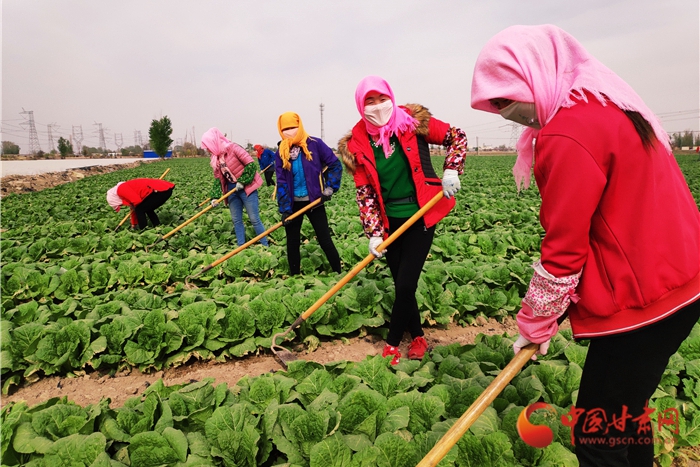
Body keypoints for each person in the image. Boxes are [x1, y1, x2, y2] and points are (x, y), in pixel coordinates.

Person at [470, 25, 700, 466]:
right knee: (625, 418)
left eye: (507, 99)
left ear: (536, 71)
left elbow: (563, 250)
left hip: (644, 302)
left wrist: (535, 322)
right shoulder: (608, 103)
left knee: (597, 434)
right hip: (681, 284)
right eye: (495, 106)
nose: (506, 113)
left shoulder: (567, 132)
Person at [338, 76, 467, 365]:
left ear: (391, 97)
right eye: (369, 101)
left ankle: (392, 344)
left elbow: (456, 136)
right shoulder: (357, 143)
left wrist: (452, 169)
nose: (377, 106)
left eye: (381, 99)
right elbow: (365, 193)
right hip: (390, 222)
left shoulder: (412, 121)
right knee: (401, 285)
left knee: (406, 285)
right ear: (361, 106)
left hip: (422, 214)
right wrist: (374, 233)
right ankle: (418, 336)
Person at [275, 111, 342, 275]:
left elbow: (335, 165)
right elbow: (282, 182)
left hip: (314, 201)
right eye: (286, 128)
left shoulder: (314, 144)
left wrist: (330, 187)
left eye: (293, 127)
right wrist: (284, 210)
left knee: (325, 239)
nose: (290, 131)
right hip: (293, 204)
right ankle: (294, 276)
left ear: (300, 126)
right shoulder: (281, 151)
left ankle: (339, 272)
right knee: (292, 241)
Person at [201, 128, 269, 247]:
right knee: (236, 219)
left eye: (208, 146)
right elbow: (218, 179)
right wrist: (215, 197)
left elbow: (250, 165)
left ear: (214, 142)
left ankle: (265, 245)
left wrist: (242, 181)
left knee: (254, 218)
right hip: (231, 189)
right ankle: (241, 246)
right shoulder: (215, 158)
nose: (207, 149)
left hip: (247, 186)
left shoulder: (233, 148)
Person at [106, 178, 175, 229]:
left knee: (140, 209)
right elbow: (133, 207)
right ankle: (157, 225)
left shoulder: (121, 189)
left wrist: (134, 207)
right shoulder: (122, 191)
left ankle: (143, 229)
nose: (122, 205)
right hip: (162, 191)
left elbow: (136, 201)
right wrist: (134, 224)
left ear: (115, 200)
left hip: (160, 190)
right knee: (147, 209)